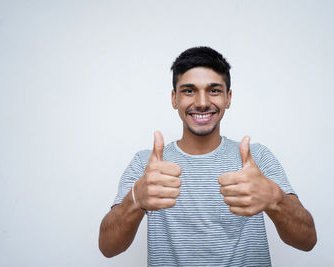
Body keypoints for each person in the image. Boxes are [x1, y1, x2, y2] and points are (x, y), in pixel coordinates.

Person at [99, 46, 317, 266]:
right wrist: (135, 199)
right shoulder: (147, 165)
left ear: (228, 98)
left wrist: (275, 198)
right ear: (174, 99)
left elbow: (307, 240)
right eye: (188, 91)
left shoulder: (257, 158)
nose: (202, 102)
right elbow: (108, 247)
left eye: (214, 90)